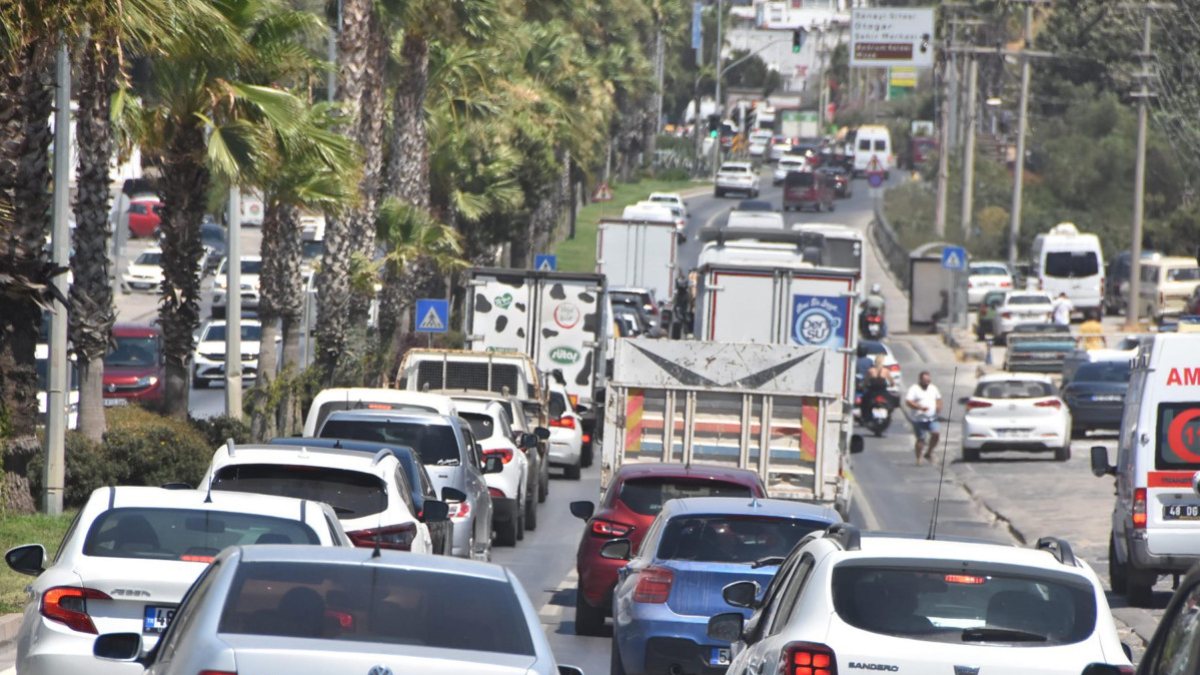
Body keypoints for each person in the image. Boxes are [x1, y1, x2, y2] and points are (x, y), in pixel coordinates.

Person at [905, 371, 942, 465]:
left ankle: (929, 452)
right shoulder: (914, 389)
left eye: (928, 380)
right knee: (921, 439)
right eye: (925, 380)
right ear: (920, 380)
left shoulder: (933, 388)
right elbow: (908, 402)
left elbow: (938, 399)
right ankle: (918, 458)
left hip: (932, 418)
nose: (927, 382)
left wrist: (938, 407)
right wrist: (919, 407)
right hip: (919, 419)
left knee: (936, 434)